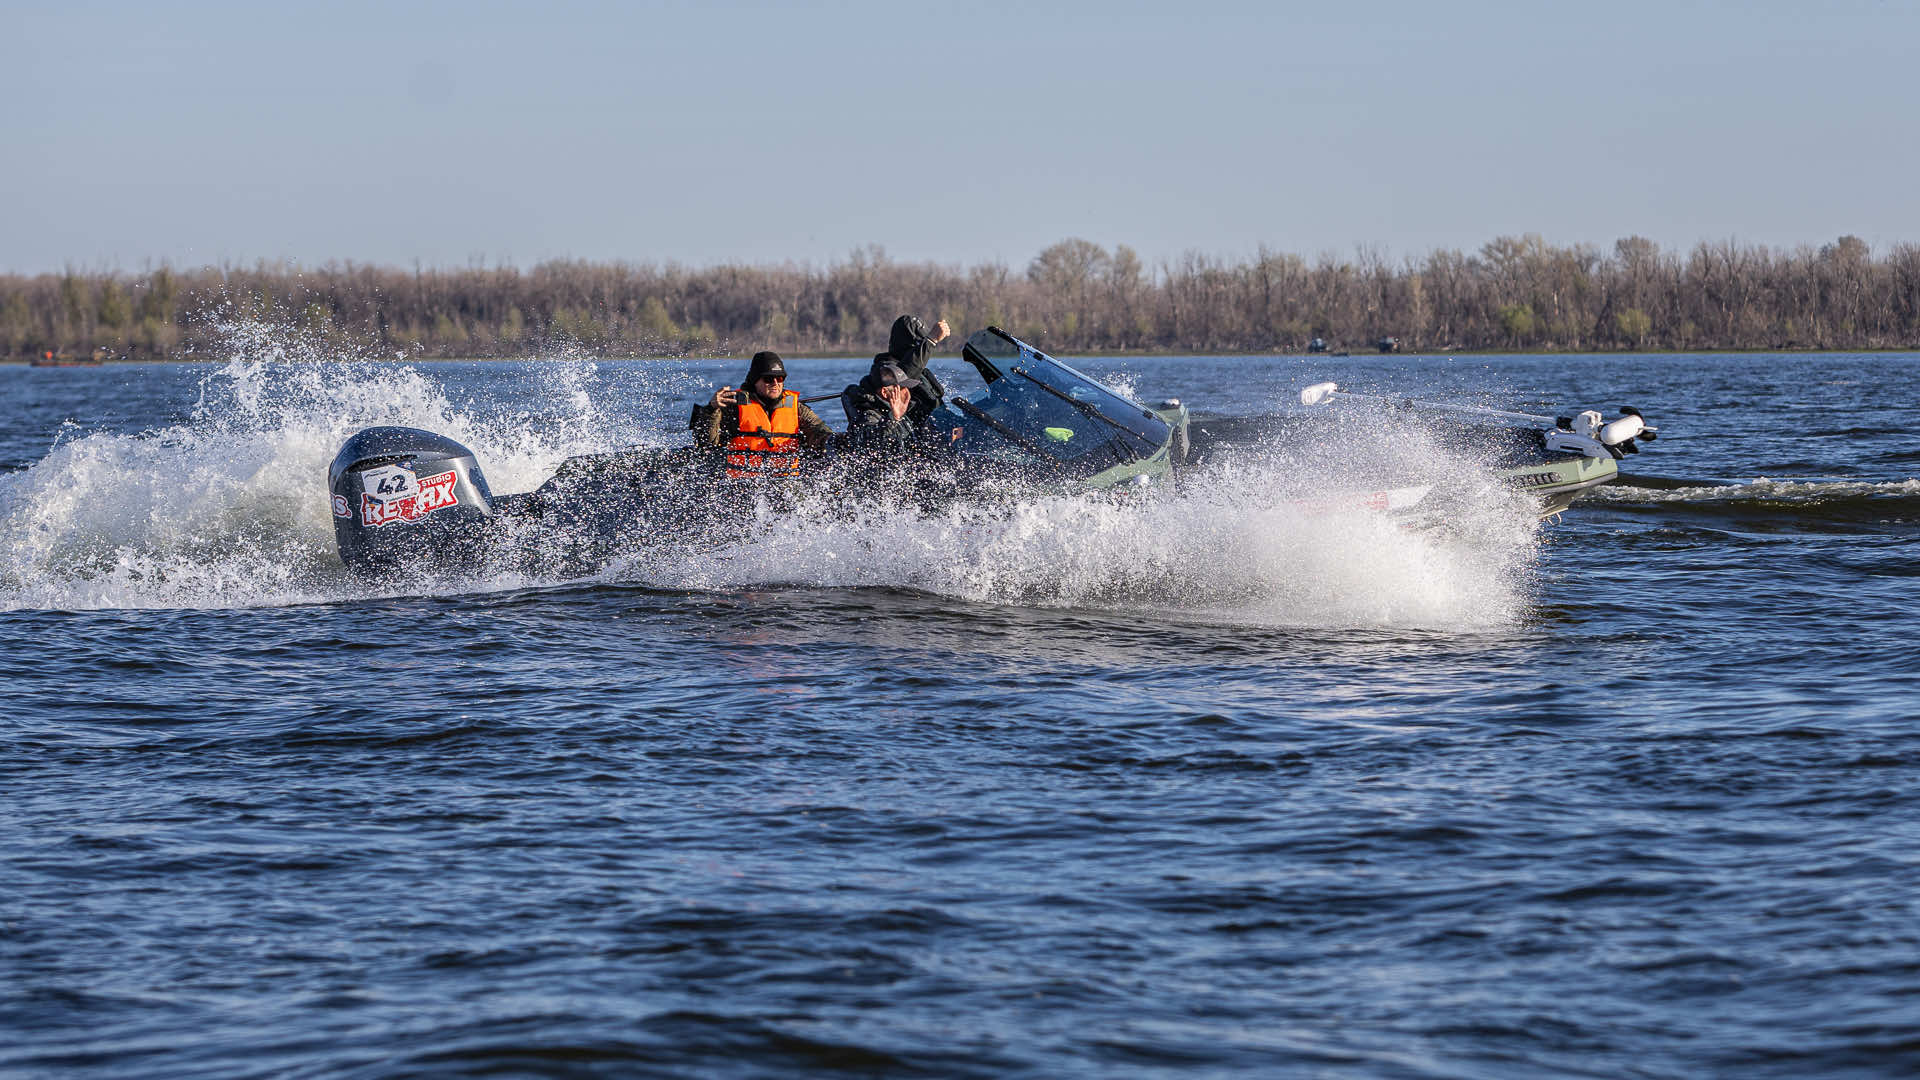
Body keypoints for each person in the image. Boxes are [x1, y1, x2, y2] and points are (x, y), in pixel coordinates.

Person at [692, 351, 831, 478]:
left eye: (780, 378)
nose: (775, 383)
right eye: (768, 379)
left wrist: (837, 441)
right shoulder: (733, 408)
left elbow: (819, 432)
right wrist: (711, 410)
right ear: (755, 380)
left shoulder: (797, 409)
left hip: (787, 485)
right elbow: (706, 444)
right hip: (743, 487)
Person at [841, 315, 953, 451]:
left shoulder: (916, 373)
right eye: (919, 345)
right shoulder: (884, 371)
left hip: (938, 435)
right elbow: (873, 440)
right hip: (915, 446)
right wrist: (930, 341)